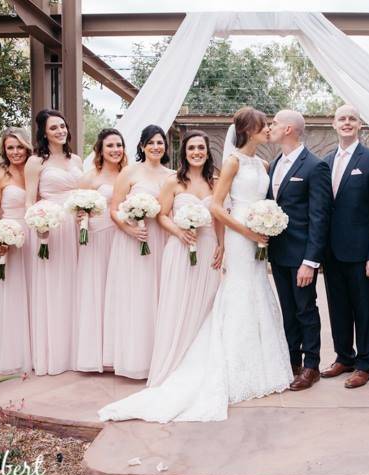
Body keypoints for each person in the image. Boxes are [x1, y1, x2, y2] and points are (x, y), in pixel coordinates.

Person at [98, 107, 293, 423]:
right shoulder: (217, 168)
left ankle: (258, 361)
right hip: (235, 235)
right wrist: (243, 232)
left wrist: (257, 227)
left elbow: (226, 207)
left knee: (252, 292)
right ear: (248, 129)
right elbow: (210, 208)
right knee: (232, 294)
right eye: (263, 125)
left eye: (201, 147)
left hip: (247, 235)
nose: (268, 129)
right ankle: (208, 360)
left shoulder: (262, 163)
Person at [145, 130, 224, 387]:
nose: (197, 152)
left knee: (207, 304)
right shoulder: (173, 182)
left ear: (207, 150)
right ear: (184, 152)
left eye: (201, 147)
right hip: (180, 249)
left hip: (209, 248)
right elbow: (162, 215)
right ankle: (175, 363)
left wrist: (222, 245)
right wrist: (179, 231)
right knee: (178, 304)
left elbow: (220, 215)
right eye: (191, 148)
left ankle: (202, 365)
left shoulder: (216, 181)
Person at [320, 104, 369, 389]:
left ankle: (364, 364)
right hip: (332, 252)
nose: (347, 122)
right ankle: (343, 357)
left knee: (363, 309)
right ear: (334, 125)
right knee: (337, 308)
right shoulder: (325, 161)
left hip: (362, 254)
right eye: (342, 119)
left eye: (352, 119)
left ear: (360, 125)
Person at [267, 110, 332, 391]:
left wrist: (310, 261)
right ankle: (291, 361)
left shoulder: (314, 166)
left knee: (306, 309)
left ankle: (311, 366)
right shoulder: (273, 164)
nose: (270, 128)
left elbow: (320, 217)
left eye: (274, 124)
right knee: (287, 309)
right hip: (278, 254)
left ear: (289, 129)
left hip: (302, 255)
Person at [103, 125, 173, 379]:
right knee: (136, 296)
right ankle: (133, 359)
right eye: (151, 142)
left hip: (161, 239)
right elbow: (114, 209)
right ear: (142, 146)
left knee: (159, 294)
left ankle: (159, 357)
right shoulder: (129, 172)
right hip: (132, 240)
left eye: (160, 142)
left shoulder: (172, 175)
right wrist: (130, 229)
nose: (156, 146)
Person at [25, 109, 83, 376]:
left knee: (75, 286)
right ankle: (52, 354)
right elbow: (29, 199)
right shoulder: (36, 162)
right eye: (54, 128)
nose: (60, 131)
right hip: (51, 227)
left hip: (76, 228)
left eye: (63, 126)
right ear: (43, 133)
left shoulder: (77, 160)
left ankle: (75, 352)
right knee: (53, 287)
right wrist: (39, 226)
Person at [74, 128, 126, 372]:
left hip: (122, 237)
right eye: (110, 146)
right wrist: (82, 219)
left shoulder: (128, 174)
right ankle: (95, 355)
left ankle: (117, 354)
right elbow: (78, 208)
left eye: (119, 145)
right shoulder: (89, 177)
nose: (116, 150)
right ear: (101, 149)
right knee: (96, 292)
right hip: (97, 237)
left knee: (118, 293)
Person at [0, 127, 33, 374]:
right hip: (10, 238)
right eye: (10, 147)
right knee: (11, 295)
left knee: (34, 295)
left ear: (27, 147)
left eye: (20, 146)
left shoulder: (36, 170)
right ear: (3, 150)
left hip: (36, 237)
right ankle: (13, 355)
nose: (15, 152)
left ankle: (38, 352)